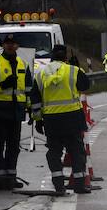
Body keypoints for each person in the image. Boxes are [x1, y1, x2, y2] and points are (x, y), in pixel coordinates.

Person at [32, 45, 91, 195]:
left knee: (54, 152)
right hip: (72, 118)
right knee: (77, 152)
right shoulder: (73, 70)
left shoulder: (41, 73)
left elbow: (35, 99)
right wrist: (77, 67)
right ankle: (79, 185)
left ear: (51, 56)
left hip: (52, 120)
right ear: (65, 57)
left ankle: (58, 185)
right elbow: (85, 86)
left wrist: (38, 120)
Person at [0, 34, 35, 186]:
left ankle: (10, 177)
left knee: (13, 146)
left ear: (17, 46)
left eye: (13, 43)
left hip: (16, 111)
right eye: (7, 43)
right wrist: (2, 85)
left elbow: (29, 90)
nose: (10, 46)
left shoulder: (23, 64)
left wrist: (31, 110)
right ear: (3, 46)